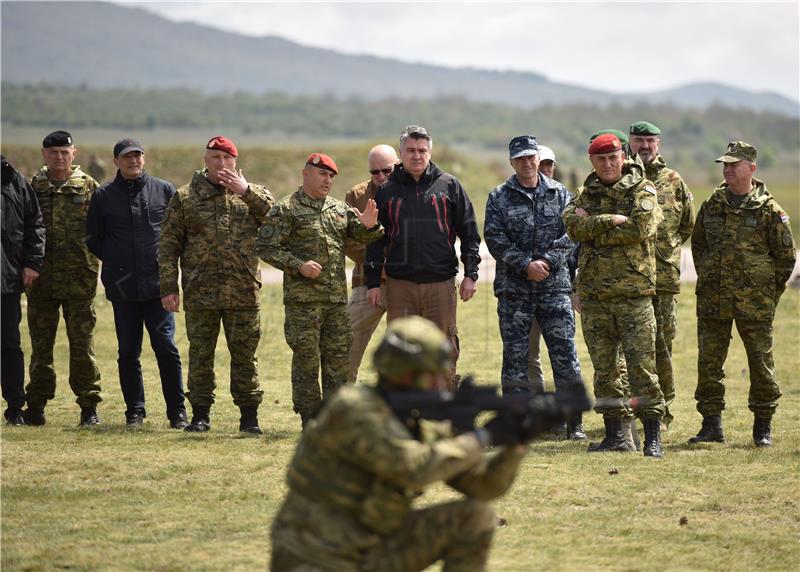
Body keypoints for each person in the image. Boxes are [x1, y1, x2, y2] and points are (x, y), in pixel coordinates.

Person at [270, 316, 528, 572]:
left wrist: (516, 445)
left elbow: (482, 486)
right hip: (314, 556)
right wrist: (482, 438)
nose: (441, 383)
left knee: (475, 517)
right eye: (433, 375)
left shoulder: (416, 420)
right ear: (404, 374)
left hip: (374, 551)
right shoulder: (353, 409)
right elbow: (412, 468)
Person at [256, 153, 384, 427]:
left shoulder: (338, 209)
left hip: (336, 301)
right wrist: (298, 265)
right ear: (306, 174)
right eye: (322, 174)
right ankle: (309, 418)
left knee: (338, 361)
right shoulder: (286, 209)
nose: (327, 180)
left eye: (331, 176)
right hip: (304, 304)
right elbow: (265, 247)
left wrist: (372, 225)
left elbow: (365, 236)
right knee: (306, 361)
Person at [158, 136, 274, 434]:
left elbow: (278, 221)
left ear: (235, 162)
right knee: (200, 355)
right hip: (201, 292)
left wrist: (246, 192)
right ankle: (200, 415)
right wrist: (169, 287)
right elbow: (169, 245)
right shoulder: (185, 197)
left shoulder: (252, 194)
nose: (221, 164)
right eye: (215, 158)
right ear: (205, 161)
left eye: (227, 158)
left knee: (246, 356)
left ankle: (249, 417)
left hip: (243, 291)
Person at [563, 133, 666, 457]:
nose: (607, 164)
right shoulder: (585, 193)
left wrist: (593, 227)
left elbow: (640, 230)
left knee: (642, 369)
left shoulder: (643, 189)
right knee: (605, 371)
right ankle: (616, 435)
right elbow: (571, 227)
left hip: (633, 295)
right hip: (594, 297)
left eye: (613, 158)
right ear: (591, 161)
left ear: (623, 157)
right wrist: (611, 220)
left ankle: (651, 436)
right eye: (600, 159)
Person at [689, 141, 795, 447]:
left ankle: (762, 427)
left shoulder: (769, 210)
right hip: (713, 298)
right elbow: (699, 245)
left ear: (751, 168)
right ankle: (711, 426)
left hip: (755, 302)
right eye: (725, 165)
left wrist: (767, 293)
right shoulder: (713, 203)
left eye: (734, 165)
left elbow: (785, 257)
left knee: (761, 363)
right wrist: (709, 275)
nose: (727, 170)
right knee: (709, 363)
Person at [484, 136, 586, 440]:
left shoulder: (560, 194)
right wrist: (525, 264)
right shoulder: (499, 196)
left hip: (554, 289)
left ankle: (573, 423)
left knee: (565, 355)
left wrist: (547, 262)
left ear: (537, 158)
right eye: (520, 159)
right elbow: (494, 238)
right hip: (515, 291)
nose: (527, 163)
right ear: (512, 162)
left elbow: (571, 235)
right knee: (515, 360)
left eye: (531, 157)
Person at [365, 126, 481, 391]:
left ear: (430, 152)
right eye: (410, 150)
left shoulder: (449, 185)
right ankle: (403, 411)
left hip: (440, 284)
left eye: (422, 150)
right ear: (401, 154)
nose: (416, 156)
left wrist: (471, 275)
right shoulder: (386, 191)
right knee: (400, 349)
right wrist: (373, 283)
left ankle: (445, 407)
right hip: (399, 285)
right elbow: (374, 239)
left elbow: (470, 234)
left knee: (443, 347)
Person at [86, 138, 187, 429]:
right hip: (122, 288)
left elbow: (175, 234)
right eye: (127, 157)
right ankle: (135, 412)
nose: (133, 161)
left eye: (138, 156)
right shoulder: (104, 196)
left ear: (144, 159)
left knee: (166, 348)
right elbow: (93, 238)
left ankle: (177, 412)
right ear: (116, 161)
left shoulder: (164, 190)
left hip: (158, 286)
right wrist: (117, 261)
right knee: (128, 352)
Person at [23, 131, 102, 427]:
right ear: (44, 154)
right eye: (53, 152)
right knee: (41, 345)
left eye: (64, 152)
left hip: (80, 278)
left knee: (82, 345)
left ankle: (89, 406)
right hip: (41, 280)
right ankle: (36, 404)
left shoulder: (89, 187)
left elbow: (104, 228)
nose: (59, 157)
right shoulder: (33, 187)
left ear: (74, 153)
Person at [628, 121, 694, 427]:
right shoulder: (621, 177)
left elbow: (687, 225)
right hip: (629, 279)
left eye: (650, 140)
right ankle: (629, 409)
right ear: (630, 142)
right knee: (629, 347)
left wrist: (665, 252)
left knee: (662, 346)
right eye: (639, 140)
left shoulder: (673, 180)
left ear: (659, 144)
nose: (645, 146)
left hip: (663, 280)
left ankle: (663, 410)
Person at [344, 144, 397, 383]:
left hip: (402, 282)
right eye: (374, 172)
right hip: (365, 281)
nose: (381, 177)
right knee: (347, 342)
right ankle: (340, 399)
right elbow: (347, 240)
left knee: (403, 348)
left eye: (387, 170)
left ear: (398, 166)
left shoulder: (408, 190)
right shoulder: (356, 195)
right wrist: (377, 263)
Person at [1, 155, 45, 426]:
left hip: (6, 279)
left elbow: (35, 225)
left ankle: (15, 408)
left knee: (9, 345)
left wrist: (32, 263)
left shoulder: (15, 181)